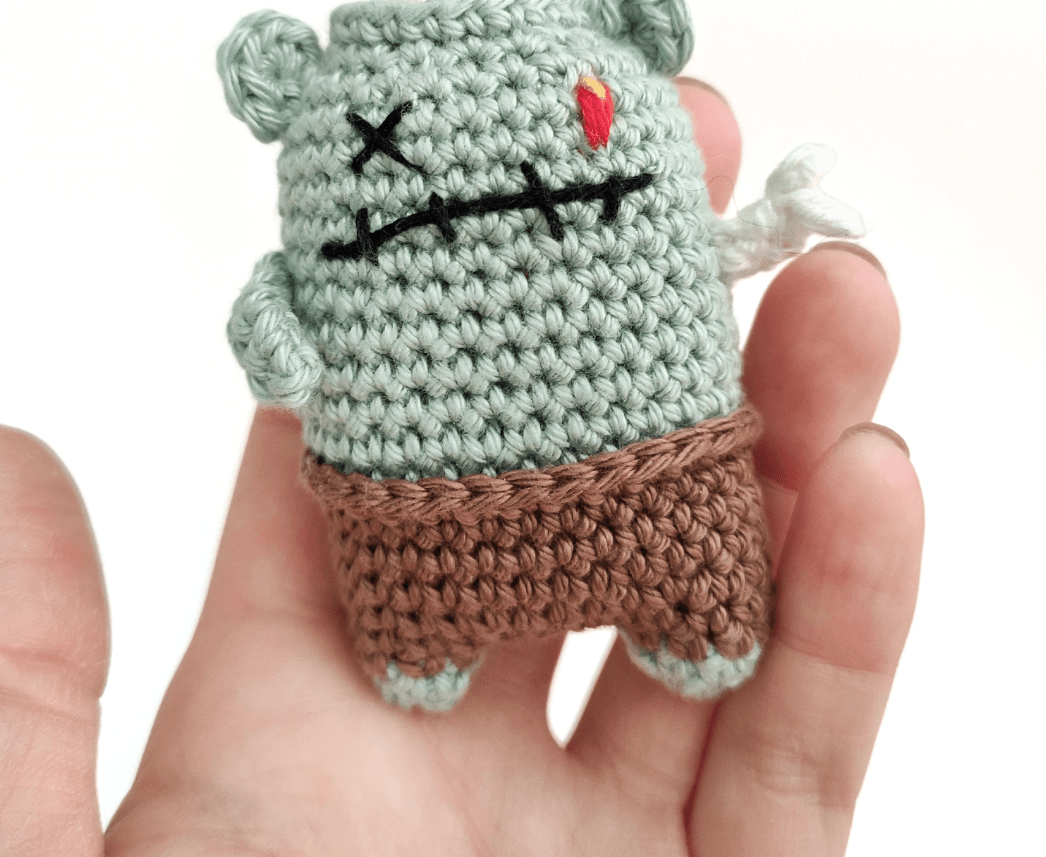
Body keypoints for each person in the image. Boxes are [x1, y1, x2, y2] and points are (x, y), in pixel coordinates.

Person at [0, 80, 923, 856]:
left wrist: (773, 222)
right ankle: (446, 641)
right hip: (433, 527)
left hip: (648, 495)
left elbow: (701, 249)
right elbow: (275, 323)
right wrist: (278, 348)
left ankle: (673, 622)